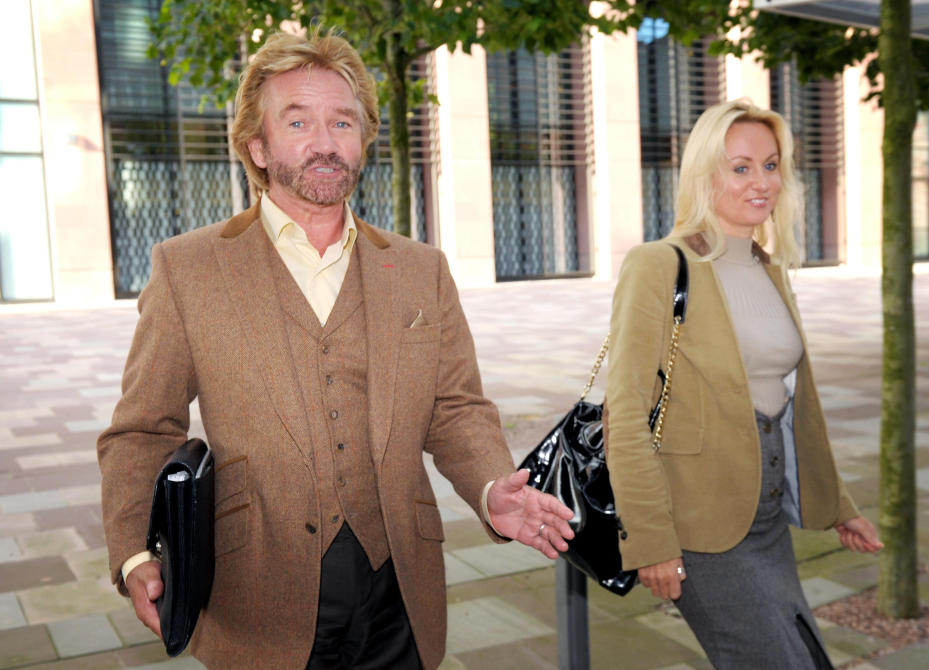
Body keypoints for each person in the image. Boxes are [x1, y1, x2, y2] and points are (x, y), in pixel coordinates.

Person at [97, 30, 574, 670]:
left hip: (398, 593)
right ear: (257, 146)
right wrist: (135, 554)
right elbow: (140, 429)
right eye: (299, 121)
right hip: (256, 602)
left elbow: (456, 408)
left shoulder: (419, 269)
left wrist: (492, 488)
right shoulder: (189, 270)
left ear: (363, 139)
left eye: (342, 121)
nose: (324, 142)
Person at [604, 99, 882, 669]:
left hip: (767, 519)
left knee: (806, 657)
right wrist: (651, 541)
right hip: (699, 528)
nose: (762, 182)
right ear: (706, 175)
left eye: (772, 165)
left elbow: (794, 405)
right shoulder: (659, 265)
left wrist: (839, 505)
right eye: (741, 167)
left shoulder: (768, 268)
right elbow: (625, 412)